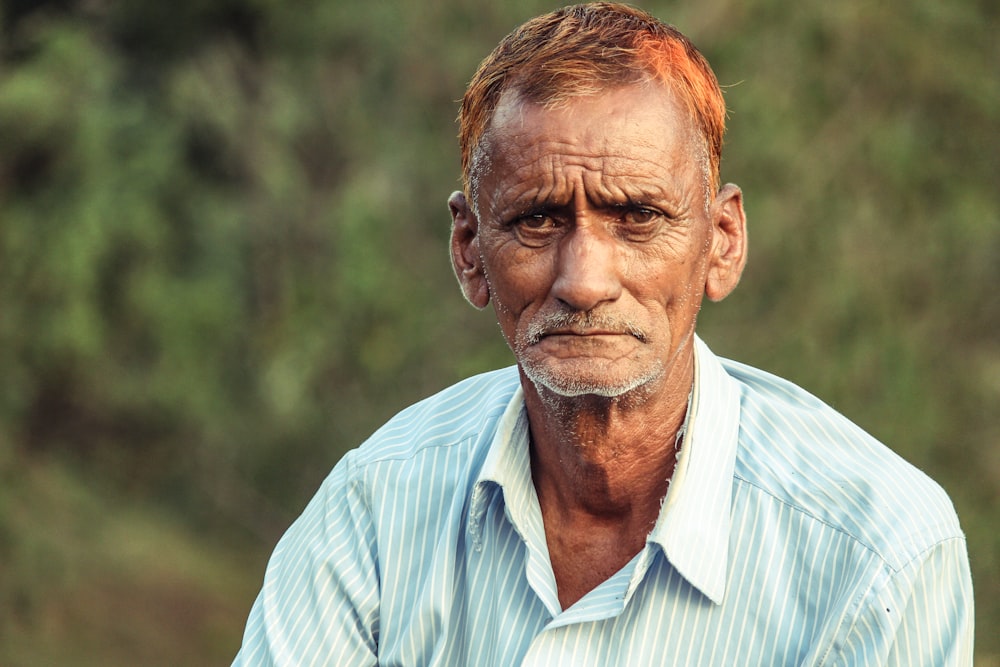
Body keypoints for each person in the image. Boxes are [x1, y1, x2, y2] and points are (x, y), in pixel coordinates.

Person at [233, 3, 974, 665]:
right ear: (468, 251)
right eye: (538, 219)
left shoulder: (876, 550)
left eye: (638, 217)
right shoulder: (375, 509)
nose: (584, 280)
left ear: (721, 241)